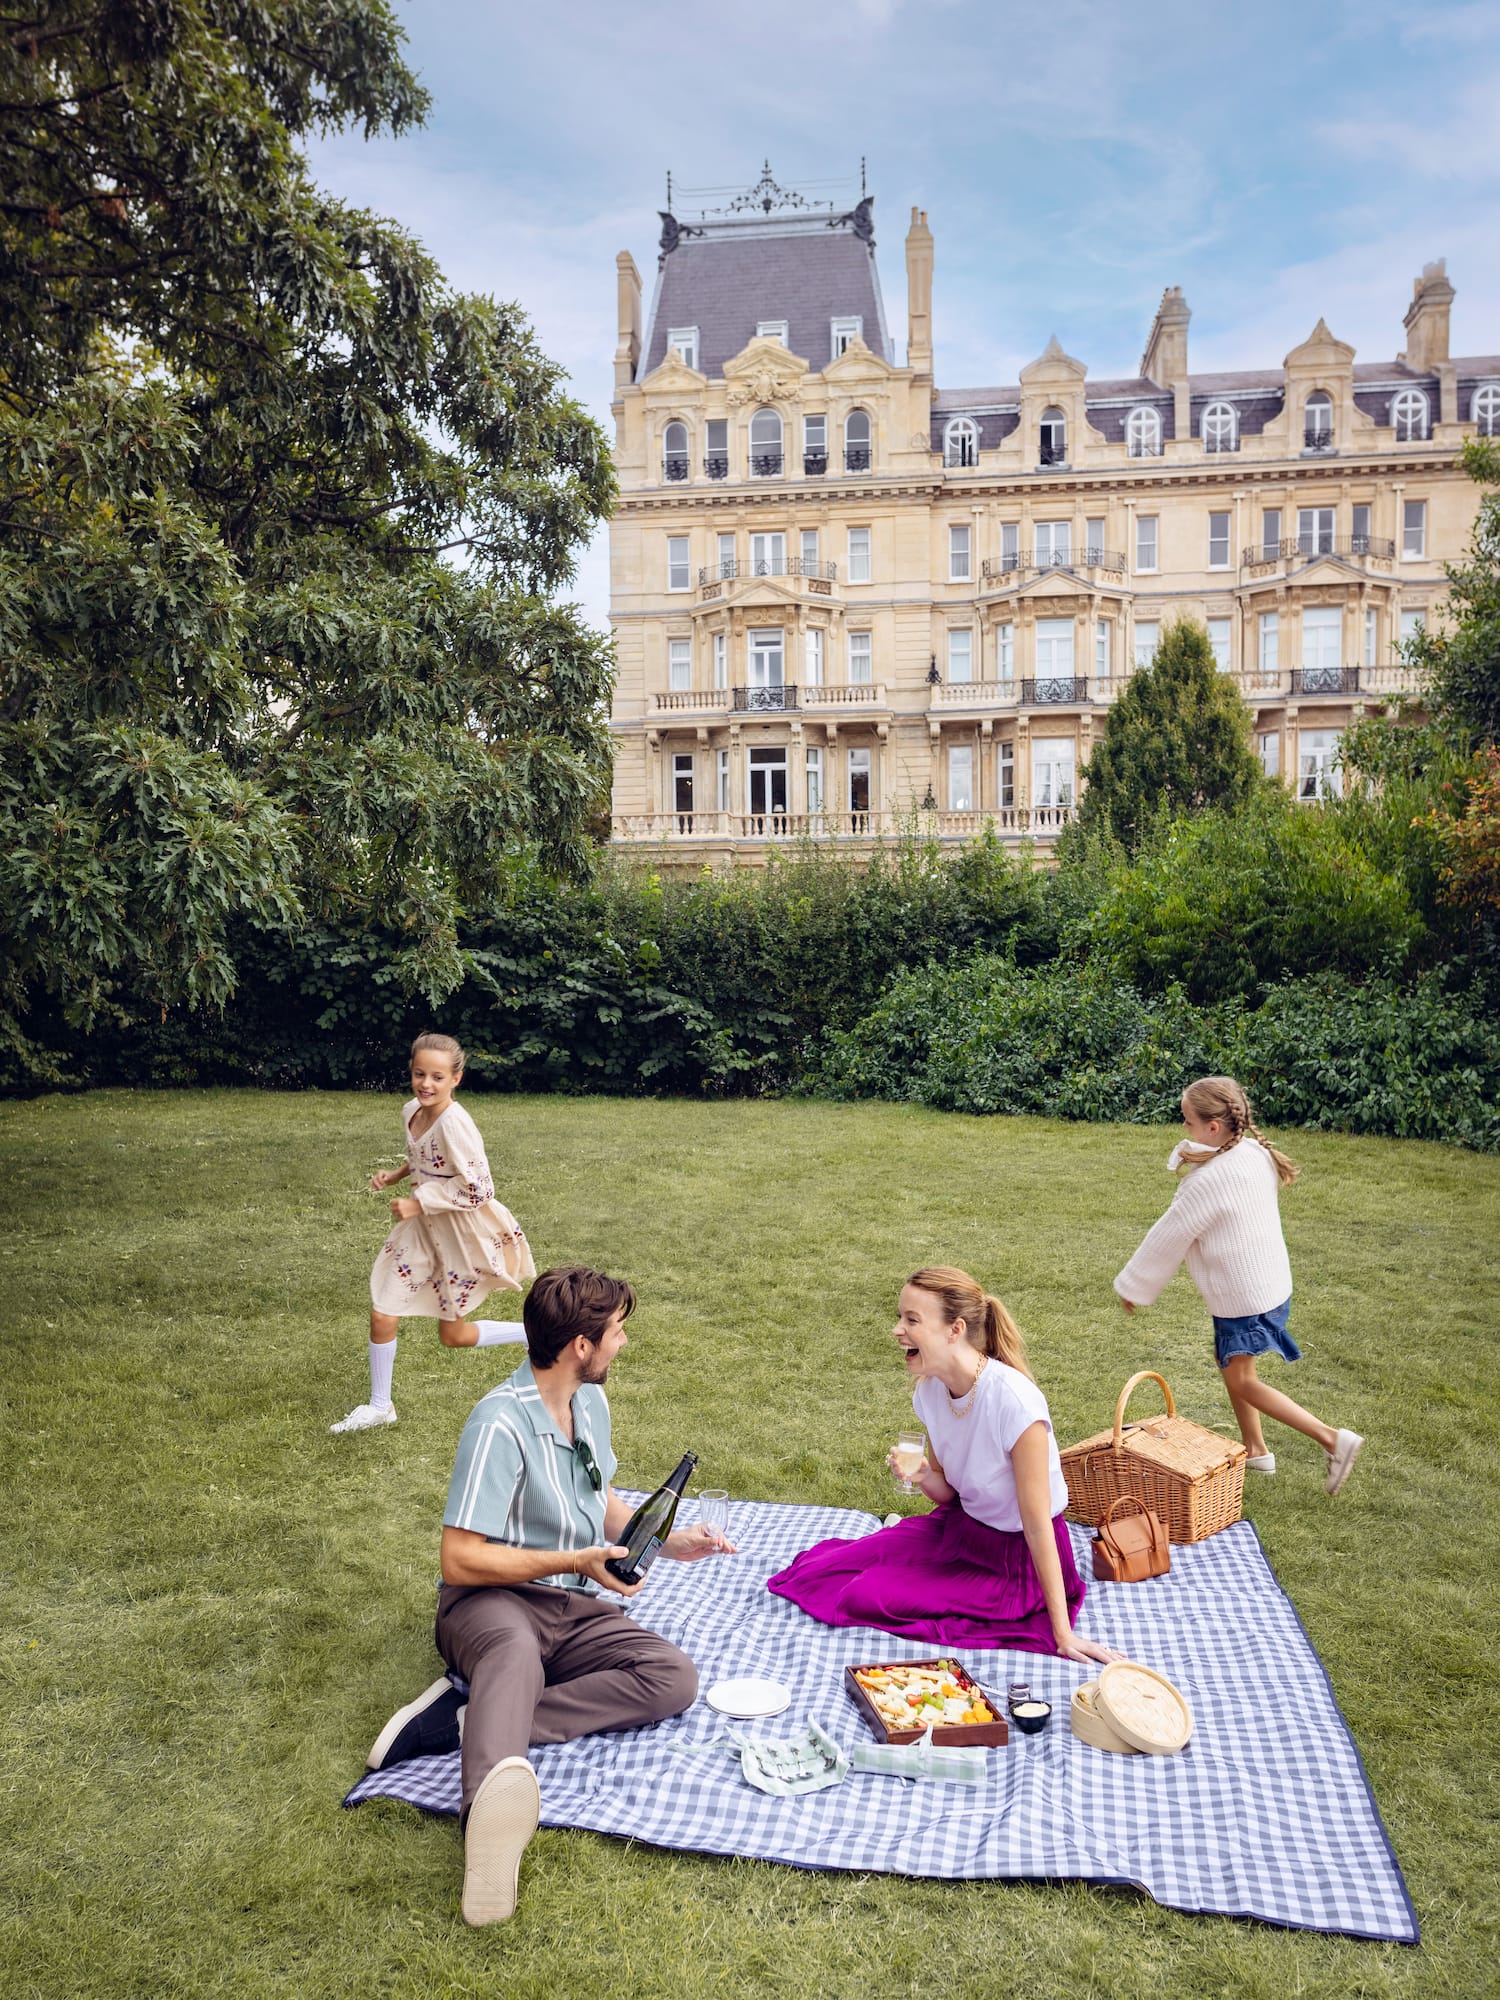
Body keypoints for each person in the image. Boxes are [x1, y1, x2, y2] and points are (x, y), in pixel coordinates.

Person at [367, 1265, 733, 1926]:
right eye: (615, 1332)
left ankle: (465, 1721)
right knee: (513, 1655)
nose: (622, 1343)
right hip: (490, 1603)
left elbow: (599, 1500)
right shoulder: (498, 1423)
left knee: (671, 1678)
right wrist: (574, 1561)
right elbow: (459, 1555)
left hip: (571, 1604)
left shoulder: (588, 1402)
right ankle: (487, 1840)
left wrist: (671, 1545)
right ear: (579, 1347)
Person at [767, 1267, 1123, 1663]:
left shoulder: (1015, 1404)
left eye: (911, 1320)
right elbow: (949, 1495)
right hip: (962, 1533)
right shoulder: (931, 1391)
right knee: (822, 1570)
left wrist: (1062, 1633)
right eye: (900, 1316)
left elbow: (1037, 1524)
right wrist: (921, 1474)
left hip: (1015, 1563)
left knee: (864, 1595)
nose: (897, 1330)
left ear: (955, 1330)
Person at [1115, 1075, 1363, 1495]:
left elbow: (1167, 1236)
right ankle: (1256, 1449)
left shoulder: (1205, 1183)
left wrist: (1133, 1287)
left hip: (1245, 1299)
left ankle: (1332, 1439)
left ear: (1213, 1128)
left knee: (1243, 1378)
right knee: (1228, 1363)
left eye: (1188, 1121)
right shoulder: (1251, 1152)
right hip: (1269, 1286)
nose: (1184, 1128)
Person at [332, 1031, 535, 1433]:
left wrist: (419, 1201)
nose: (427, 1084)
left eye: (437, 1077)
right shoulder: (412, 1109)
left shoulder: (457, 1124)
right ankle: (379, 1405)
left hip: (458, 1234)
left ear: (456, 1079)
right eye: (420, 1074)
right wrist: (396, 1175)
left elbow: (480, 1188)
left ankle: (532, 1334)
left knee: (453, 1335)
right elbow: (424, 1154)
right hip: (419, 1231)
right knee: (383, 1311)